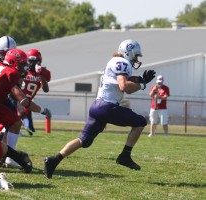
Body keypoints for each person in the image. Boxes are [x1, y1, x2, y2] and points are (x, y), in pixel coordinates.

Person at [43, 39, 156, 179]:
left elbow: (123, 81)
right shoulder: (123, 63)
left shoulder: (115, 61)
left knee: (83, 141)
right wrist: (143, 85)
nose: (136, 58)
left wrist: (139, 80)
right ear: (128, 52)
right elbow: (124, 86)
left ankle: (53, 160)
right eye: (136, 55)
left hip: (97, 106)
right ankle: (125, 156)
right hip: (107, 107)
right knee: (140, 122)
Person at [0, 48, 51, 167]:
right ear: (13, 63)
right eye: (22, 64)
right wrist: (42, 110)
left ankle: (9, 157)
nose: (25, 67)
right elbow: (24, 101)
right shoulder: (11, 73)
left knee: (15, 123)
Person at [18, 48, 51, 136]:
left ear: (39, 61)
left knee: (25, 118)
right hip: (17, 97)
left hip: (27, 102)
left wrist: (41, 75)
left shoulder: (43, 73)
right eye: (30, 61)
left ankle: (16, 128)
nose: (31, 64)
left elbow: (46, 90)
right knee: (19, 113)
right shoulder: (23, 69)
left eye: (34, 61)